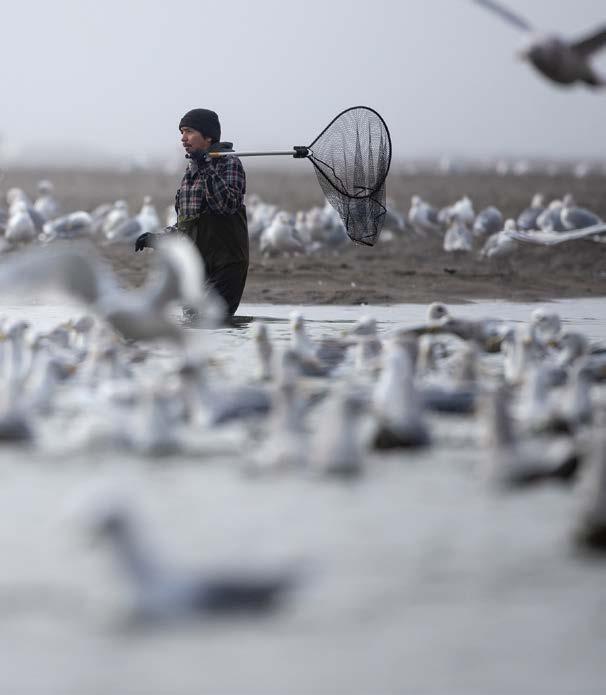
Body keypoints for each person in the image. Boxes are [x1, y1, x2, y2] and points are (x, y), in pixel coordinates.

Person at [135, 108, 249, 317]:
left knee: (210, 322)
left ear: (208, 136)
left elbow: (226, 205)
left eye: (189, 131)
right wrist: (158, 239)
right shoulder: (191, 170)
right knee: (193, 323)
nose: (183, 138)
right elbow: (187, 225)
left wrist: (206, 167)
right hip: (196, 267)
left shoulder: (229, 163)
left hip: (226, 266)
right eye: (181, 132)